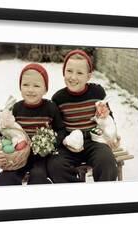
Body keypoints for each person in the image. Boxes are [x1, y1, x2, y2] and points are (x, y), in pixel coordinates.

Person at [0, 63, 66, 185]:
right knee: (5, 179)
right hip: (18, 158)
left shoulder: (51, 108)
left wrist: (50, 144)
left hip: (41, 158)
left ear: (45, 89)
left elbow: (62, 130)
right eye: (25, 84)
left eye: (36, 85)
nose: (30, 90)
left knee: (38, 177)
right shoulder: (16, 109)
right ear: (20, 87)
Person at [47, 49, 118, 183]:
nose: (73, 77)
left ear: (88, 76)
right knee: (55, 165)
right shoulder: (58, 98)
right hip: (69, 142)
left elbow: (109, 117)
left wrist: (107, 122)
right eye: (69, 71)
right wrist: (62, 141)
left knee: (107, 162)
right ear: (64, 72)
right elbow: (56, 126)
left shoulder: (97, 92)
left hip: (94, 140)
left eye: (80, 73)